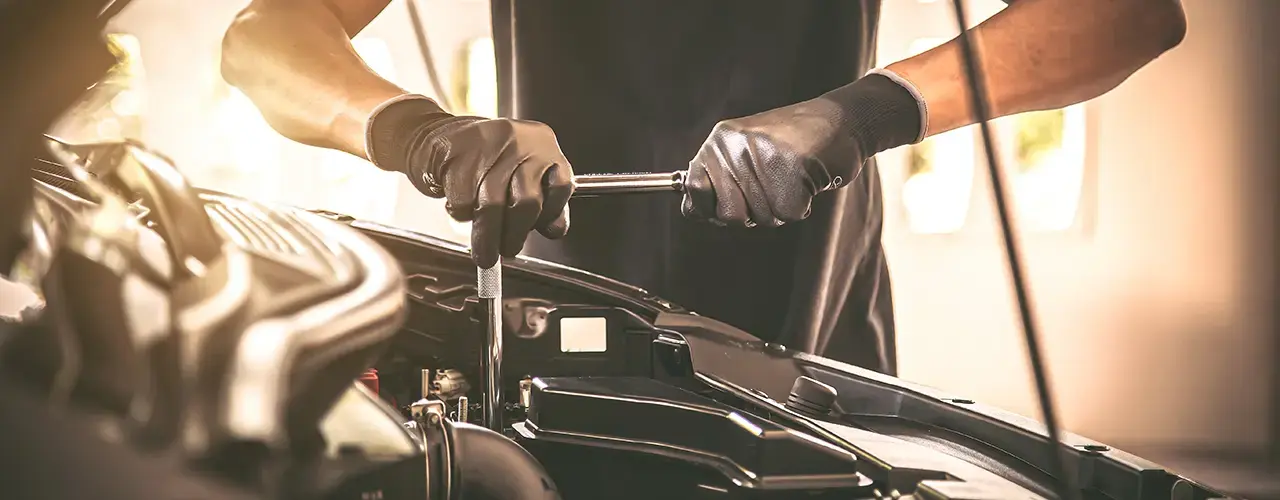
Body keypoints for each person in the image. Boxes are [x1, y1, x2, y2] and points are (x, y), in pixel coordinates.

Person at [220, 0, 1186, 374]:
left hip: (811, 362)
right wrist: (420, 133)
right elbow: (262, 41)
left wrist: (866, 110)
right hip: (556, 358)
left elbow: (1129, 14)